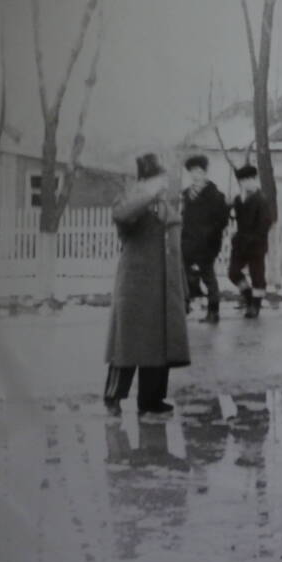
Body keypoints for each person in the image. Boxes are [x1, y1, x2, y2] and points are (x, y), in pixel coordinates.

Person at [103, 152, 190, 416]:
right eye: (159, 180)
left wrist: (183, 288)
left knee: (159, 346)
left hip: (165, 287)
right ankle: (113, 397)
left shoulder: (165, 204)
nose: (163, 185)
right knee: (127, 346)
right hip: (136, 286)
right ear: (145, 181)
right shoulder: (132, 200)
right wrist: (148, 194)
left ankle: (151, 401)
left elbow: (175, 250)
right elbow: (121, 215)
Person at [181, 154, 230, 323]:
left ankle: (213, 311)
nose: (196, 175)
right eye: (193, 172)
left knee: (208, 276)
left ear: (205, 173)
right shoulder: (186, 194)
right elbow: (184, 217)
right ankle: (184, 306)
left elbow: (222, 220)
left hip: (207, 244)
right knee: (184, 274)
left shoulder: (215, 195)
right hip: (188, 242)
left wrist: (208, 234)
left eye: (199, 172)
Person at [228, 164, 273, 318]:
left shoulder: (261, 200)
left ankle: (255, 306)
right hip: (240, 243)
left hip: (256, 245)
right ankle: (248, 297)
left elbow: (265, 224)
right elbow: (234, 217)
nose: (246, 183)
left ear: (255, 180)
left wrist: (254, 239)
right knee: (233, 272)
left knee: (257, 275)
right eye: (242, 180)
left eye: (249, 179)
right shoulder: (238, 199)